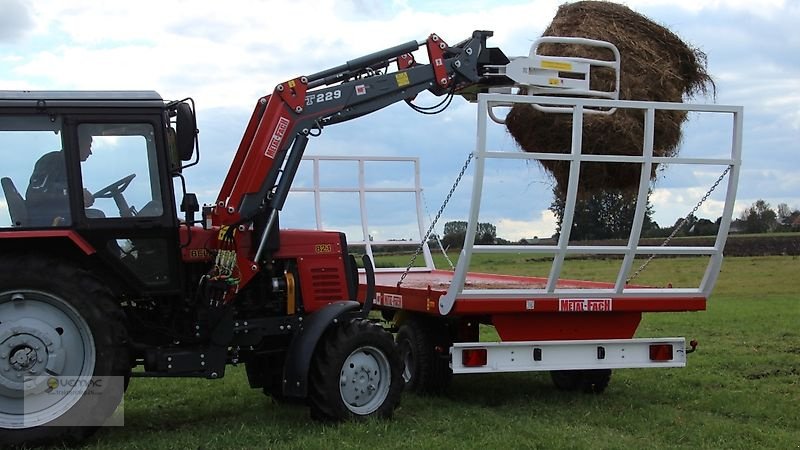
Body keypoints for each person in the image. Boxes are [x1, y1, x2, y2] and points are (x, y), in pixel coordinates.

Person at [26, 129, 97, 226]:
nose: (90, 152)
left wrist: (80, 198)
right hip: (43, 217)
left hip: (57, 213)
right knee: (95, 216)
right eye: (88, 146)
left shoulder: (70, 164)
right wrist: (76, 193)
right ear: (77, 143)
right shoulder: (51, 161)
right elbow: (38, 191)